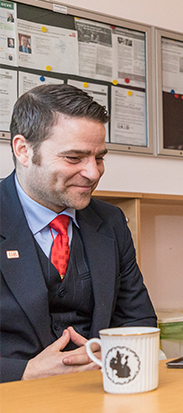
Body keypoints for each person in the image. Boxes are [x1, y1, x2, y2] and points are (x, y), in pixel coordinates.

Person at [0, 84, 157, 382]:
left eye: (99, 158)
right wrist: (26, 372)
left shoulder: (110, 221)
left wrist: (109, 353)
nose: (93, 173)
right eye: (74, 158)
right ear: (23, 150)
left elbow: (139, 321)